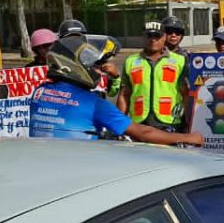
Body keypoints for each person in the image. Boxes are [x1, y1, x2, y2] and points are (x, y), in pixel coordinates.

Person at [30, 34, 203, 146]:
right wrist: (188, 137)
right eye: (94, 65)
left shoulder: (40, 93)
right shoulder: (94, 104)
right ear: (72, 66)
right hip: (80, 169)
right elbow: (144, 133)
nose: (98, 70)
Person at [117, 21, 188, 132]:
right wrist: (119, 124)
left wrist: (188, 123)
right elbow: (124, 95)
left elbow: (186, 95)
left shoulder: (180, 61)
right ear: (143, 37)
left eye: (157, 36)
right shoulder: (131, 61)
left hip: (170, 123)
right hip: (139, 123)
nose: (153, 39)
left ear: (164, 37)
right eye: (149, 36)